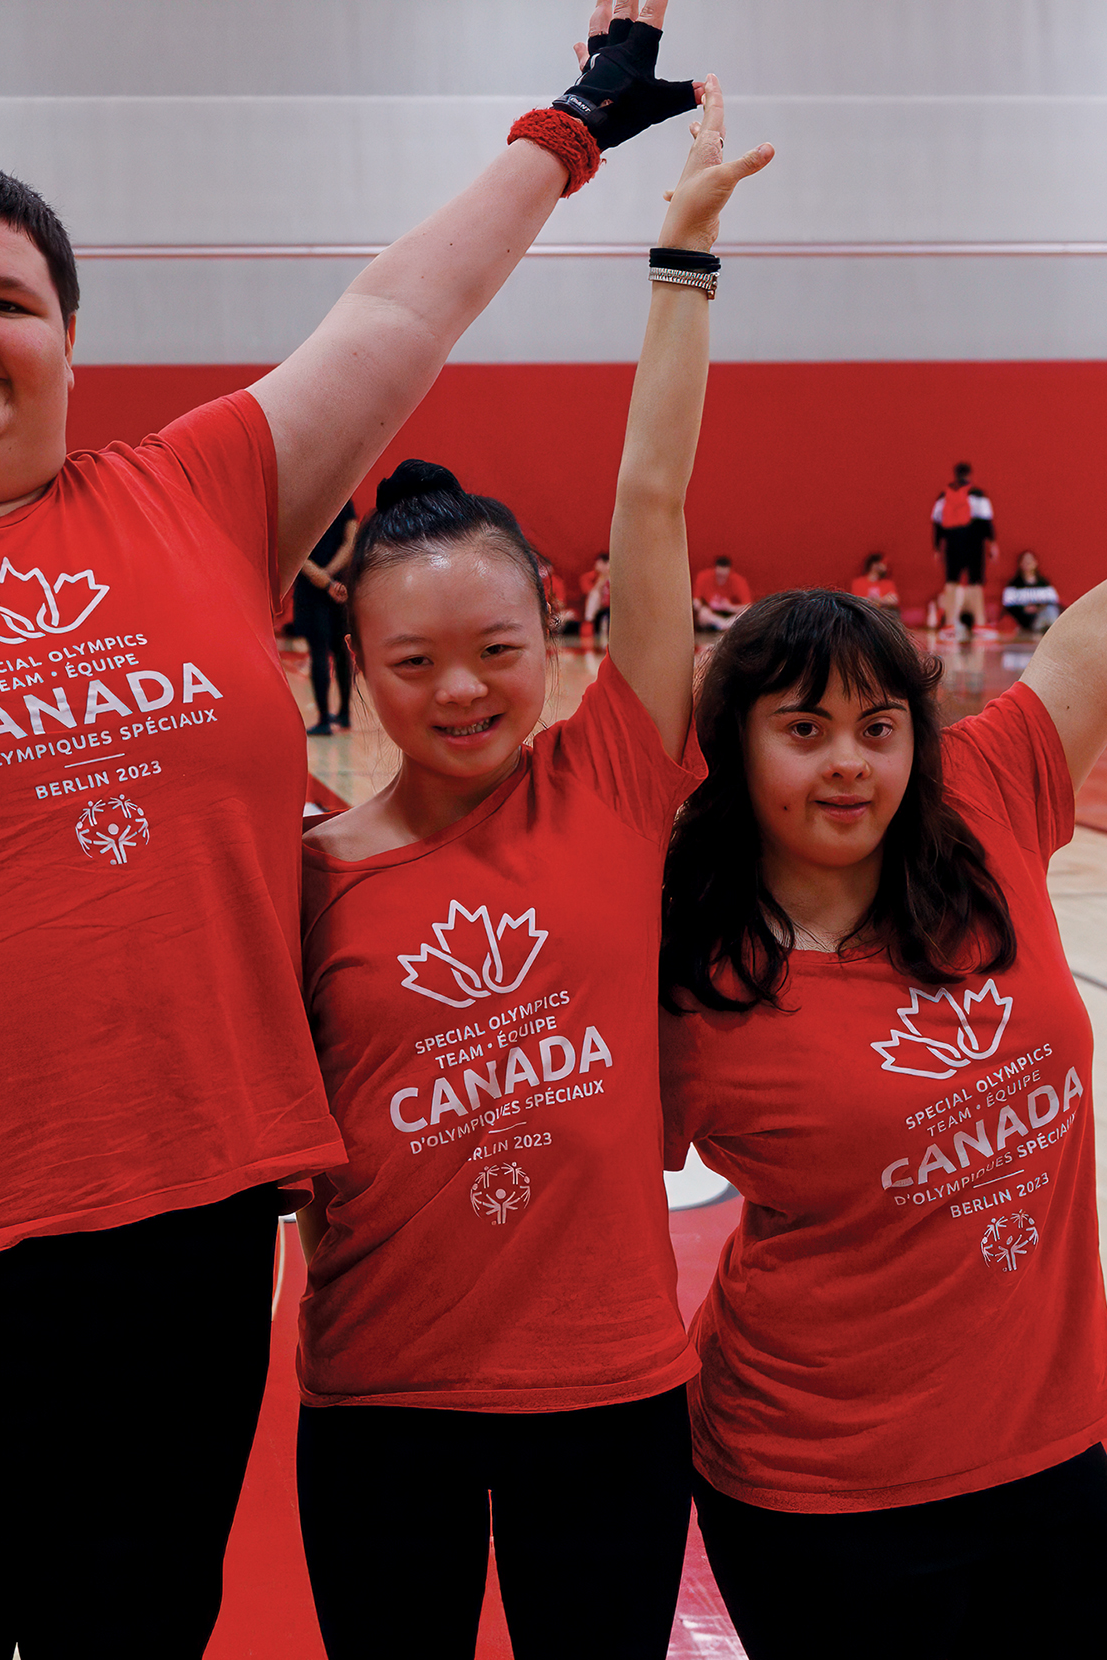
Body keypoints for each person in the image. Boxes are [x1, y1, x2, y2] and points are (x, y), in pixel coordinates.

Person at [0, 0, 703, 1651]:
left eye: (9, 298)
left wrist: (568, 128)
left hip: (178, 1245)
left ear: (72, 342)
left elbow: (394, 318)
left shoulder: (193, 498)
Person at [656, 372, 1107, 1660]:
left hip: (1047, 1457)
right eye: (804, 728)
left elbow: (1101, 645)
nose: (850, 760)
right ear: (734, 752)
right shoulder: (682, 967)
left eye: (878, 727)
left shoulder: (985, 811)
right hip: (815, 1489)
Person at [291, 86, 762, 1660]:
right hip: (381, 1403)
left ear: (554, 647)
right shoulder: (301, 871)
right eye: (414, 659)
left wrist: (678, 267)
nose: (464, 687)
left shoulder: (617, 772)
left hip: (610, 1392)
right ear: (356, 666)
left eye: (498, 648)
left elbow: (651, 501)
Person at [296, 500, 357, 734]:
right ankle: (343, 715)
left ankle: (323, 720)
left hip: (315, 590)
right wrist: (332, 576)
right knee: (341, 650)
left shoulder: (301, 502)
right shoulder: (343, 497)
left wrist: (323, 578)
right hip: (340, 587)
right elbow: (351, 541)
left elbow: (297, 553)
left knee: (319, 651)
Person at [931, 460, 997, 637]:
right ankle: (980, 624)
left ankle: (949, 624)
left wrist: (937, 547)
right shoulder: (977, 494)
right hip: (974, 542)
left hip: (952, 543)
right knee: (975, 582)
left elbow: (937, 523)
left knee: (951, 582)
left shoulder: (944, 495)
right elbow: (986, 520)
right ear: (969, 474)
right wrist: (992, 543)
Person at [1003, 548, 1061, 634]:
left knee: (1051, 611)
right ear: (1020, 564)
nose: (1028, 563)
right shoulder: (1014, 585)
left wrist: (1038, 608)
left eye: (1030, 560)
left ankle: (1050, 631)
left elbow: (1054, 602)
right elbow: (1008, 606)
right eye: (1025, 560)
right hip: (1024, 621)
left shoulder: (1044, 584)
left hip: (1044, 617)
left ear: (1035, 563)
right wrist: (1024, 609)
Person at [692, 552, 752, 630]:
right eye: (719, 576)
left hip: (730, 614)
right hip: (711, 614)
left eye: (724, 576)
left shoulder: (738, 581)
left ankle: (725, 625)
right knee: (703, 613)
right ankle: (722, 624)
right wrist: (701, 607)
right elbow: (696, 600)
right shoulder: (703, 577)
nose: (721, 579)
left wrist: (730, 607)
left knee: (745, 614)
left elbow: (748, 606)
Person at [580, 549, 613, 644]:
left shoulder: (615, 576)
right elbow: (591, 593)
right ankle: (590, 621)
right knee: (594, 596)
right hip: (600, 609)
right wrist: (603, 578)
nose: (596, 567)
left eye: (598, 564)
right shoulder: (591, 577)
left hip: (612, 608)